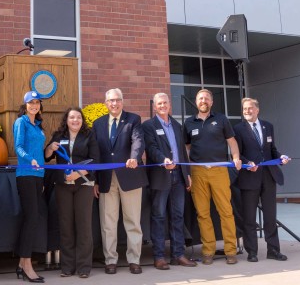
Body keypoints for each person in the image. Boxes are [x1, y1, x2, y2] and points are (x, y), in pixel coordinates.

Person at [91, 88, 147, 275]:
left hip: (129, 176)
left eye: (117, 100)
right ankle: (110, 260)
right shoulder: (97, 124)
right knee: (108, 222)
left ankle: (134, 259)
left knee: (132, 221)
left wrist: (134, 157)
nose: (114, 104)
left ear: (122, 101)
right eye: (110, 101)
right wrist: (96, 181)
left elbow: (138, 141)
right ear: (106, 103)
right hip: (106, 179)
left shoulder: (133, 119)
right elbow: (96, 154)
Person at [184, 88, 243, 265]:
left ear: (211, 102)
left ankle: (231, 251)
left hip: (219, 170)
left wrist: (236, 158)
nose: (204, 101)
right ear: (196, 102)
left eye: (207, 98)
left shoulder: (221, 119)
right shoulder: (189, 123)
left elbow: (231, 141)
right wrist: (187, 171)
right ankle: (208, 251)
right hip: (198, 172)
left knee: (225, 211)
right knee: (202, 214)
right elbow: (186, 148)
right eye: (201, 98)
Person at [142, 93, 197, 270]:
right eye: (159, 103)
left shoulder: (176, 125)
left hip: (178, 178)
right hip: (160, 176)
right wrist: (163, 159)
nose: (163, 105)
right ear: (155, 106)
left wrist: (187, 173)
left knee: (178, 216)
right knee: (158, 216)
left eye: (165, 102)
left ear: (169, 105)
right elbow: (151, 148)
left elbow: (182, 151)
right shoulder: (148, 126)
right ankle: (159, 257)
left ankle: (178, 255)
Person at [45, 107, 100, 278]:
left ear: (82, 120)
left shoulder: (89, 135)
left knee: (83, 226)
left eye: (78, 117)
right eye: (71, 117)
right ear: (66, 120)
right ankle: (67, 267)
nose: (75, 120)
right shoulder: (58, 135)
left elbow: (95, 160)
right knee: (66, 225)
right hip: (63, 185)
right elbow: (46, 157)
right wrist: (49, 148)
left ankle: (84, 267)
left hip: (84, 183)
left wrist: (78, 173)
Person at [234, 97, 289, 262]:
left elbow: (272, 150)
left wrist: (281, 157)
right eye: (244, 109)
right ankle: (252, 252)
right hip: (249, 177)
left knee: (270, 216)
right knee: (249, 217)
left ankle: (273, 250)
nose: (247, 112)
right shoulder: (238, 129)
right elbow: (237, 154)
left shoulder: (268, 126)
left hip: (268, 176)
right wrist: (246, 162)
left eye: (250, 108)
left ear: (257, 110)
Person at [13, 91, 47, 283]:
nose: (34, 105)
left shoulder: (38, 125)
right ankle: (26, 264)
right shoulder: (21, 122)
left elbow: (39, 150)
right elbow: (18, 147)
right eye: (31, 102)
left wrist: (48, 150)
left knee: (33, 218)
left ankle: (21, 263)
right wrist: (30, 159)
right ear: (25, 105)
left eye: (37, 102)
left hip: (39, 175)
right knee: (31, 218)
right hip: (26, 174)